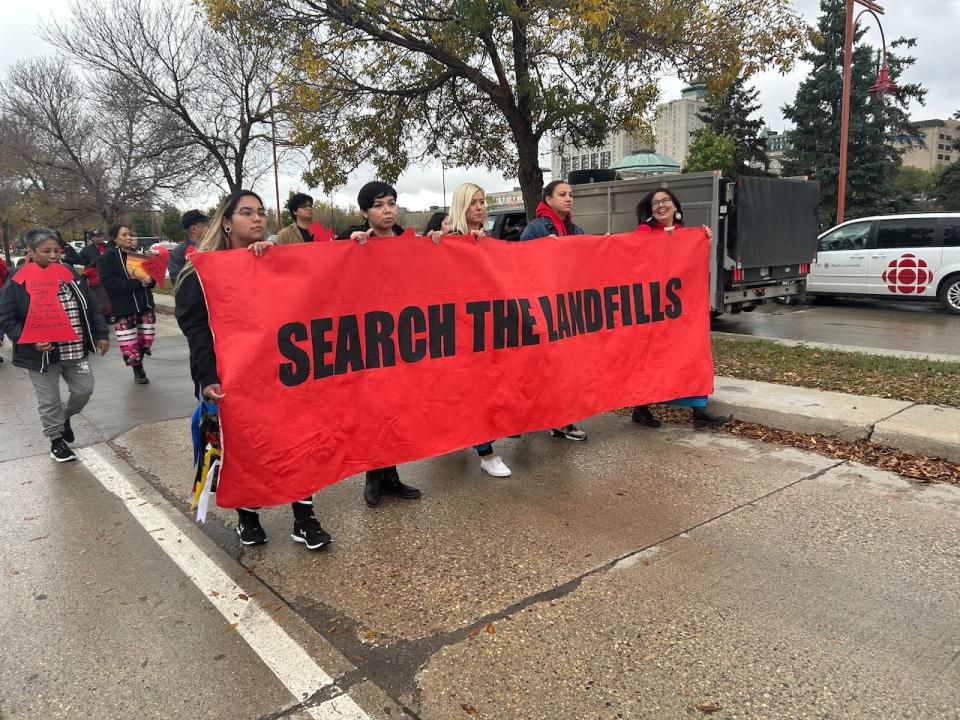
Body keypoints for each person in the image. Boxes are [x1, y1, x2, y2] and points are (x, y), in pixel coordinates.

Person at [174, 189, 332, 550]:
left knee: (298, 441)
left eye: (261, 212)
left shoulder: (278, 259)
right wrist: (208, 377)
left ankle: (304, 518)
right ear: (226, 222)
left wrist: (269, 265)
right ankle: (248, 517)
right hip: (231, 377)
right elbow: (196, 329)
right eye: (247, 213)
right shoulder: (202, 270)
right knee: (244, 447)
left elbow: (320, 287)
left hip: (283, 374)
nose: (257, 219)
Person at [336, 181, 424, 506]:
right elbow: (327, 267)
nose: (387, 210)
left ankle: (392, 476)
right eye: (379, 205)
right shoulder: (353, 240)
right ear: (364, 212)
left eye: (391, 203)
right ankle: (374, 475)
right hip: (368, 339)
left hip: (401, 338)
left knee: (396, 407)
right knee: (373, 409)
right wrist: (348, 243)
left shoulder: (408, 243)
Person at [0, 227, 110, 462]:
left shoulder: (68, 271)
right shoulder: (17, 279)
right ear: (30, 252)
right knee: (48, 400)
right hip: (41, 355)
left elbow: (89, 304)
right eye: (45, 251)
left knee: (84, 390)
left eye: (56, 250)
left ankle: (63, 418)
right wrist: (27, 339)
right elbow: (6, 316)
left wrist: (101, 333)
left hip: (75, 349)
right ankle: (56, 441)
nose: (53, 256)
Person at [630, 188, 727, 430]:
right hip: (653, 309)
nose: (660, 205)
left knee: (690, 355)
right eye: (655, 203)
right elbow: (636, 257)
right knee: (651, 359)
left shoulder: (686, 234)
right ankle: (641, 408)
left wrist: (702, 240)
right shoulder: (644, 231)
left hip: (679, 311)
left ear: (675, 206)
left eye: (665, 201)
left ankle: (699, 411)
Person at [448, 182, 513, 477]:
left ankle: (474, 439)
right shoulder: (450, 241)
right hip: (460, 330)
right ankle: (486, 452)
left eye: (482, 201)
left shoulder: (488, 240)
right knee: (474, 392)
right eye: (472, 202)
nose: (479, 207)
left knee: (487, 388)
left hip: (487, 327)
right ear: (461, 207)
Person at [517, 180, 588, 442]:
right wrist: (541, 251)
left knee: (565, 369)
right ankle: (531, 417)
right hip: (543, 308)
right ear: (548, 199)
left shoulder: (574, 229)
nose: (568, 198)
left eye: (571, 194)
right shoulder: (535, 229)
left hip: (567, 309)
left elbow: (587, 260)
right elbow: (521, 265)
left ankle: (562, 420)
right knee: (540, 368)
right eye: (562, 194)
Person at [97, 224, 156, 384]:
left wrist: (150, 280)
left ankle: (141, 357)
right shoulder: (107, 258)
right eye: (124, 235)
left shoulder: (138, 255)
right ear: (115, 239)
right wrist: (137, 283)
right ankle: (138, 369)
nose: (129, 237)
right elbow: (110, 283)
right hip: (124, 307)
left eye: (130, 234)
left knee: (146, 338)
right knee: (130, 341)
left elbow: (151, 279)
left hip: (144, 305)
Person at [78, 229, 112, 321]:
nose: (100, 238)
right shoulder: (87, 249)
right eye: (97, 236)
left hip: (107, 275)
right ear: (92, 238)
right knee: (98, 298)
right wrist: (89, 263)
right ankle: (100, 316)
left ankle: (109, 315)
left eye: (101, 236)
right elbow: (78, 259)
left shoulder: (107, 247)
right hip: (94, 277)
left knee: (108, 297)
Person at [167, 210, 209, 282]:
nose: (209, 228)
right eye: (205, 225)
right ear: (193, 228)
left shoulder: (214, 247)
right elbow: (178, 282)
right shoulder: (177, 254)